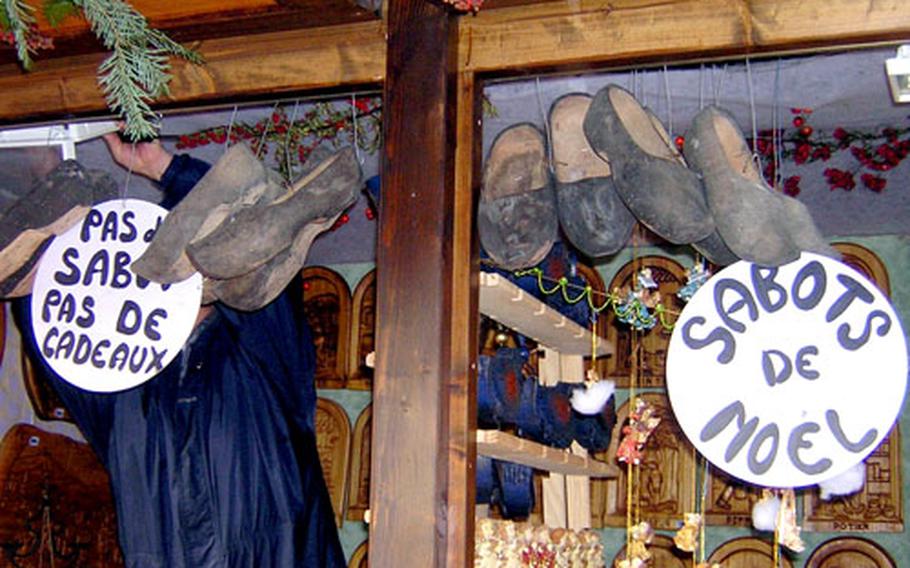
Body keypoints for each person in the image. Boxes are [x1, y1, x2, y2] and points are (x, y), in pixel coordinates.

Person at [14, 135, 346, 567]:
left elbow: (248, 235)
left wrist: (167, 170)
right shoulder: (123, 390)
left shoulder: (262, 359)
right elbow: (55, 327)